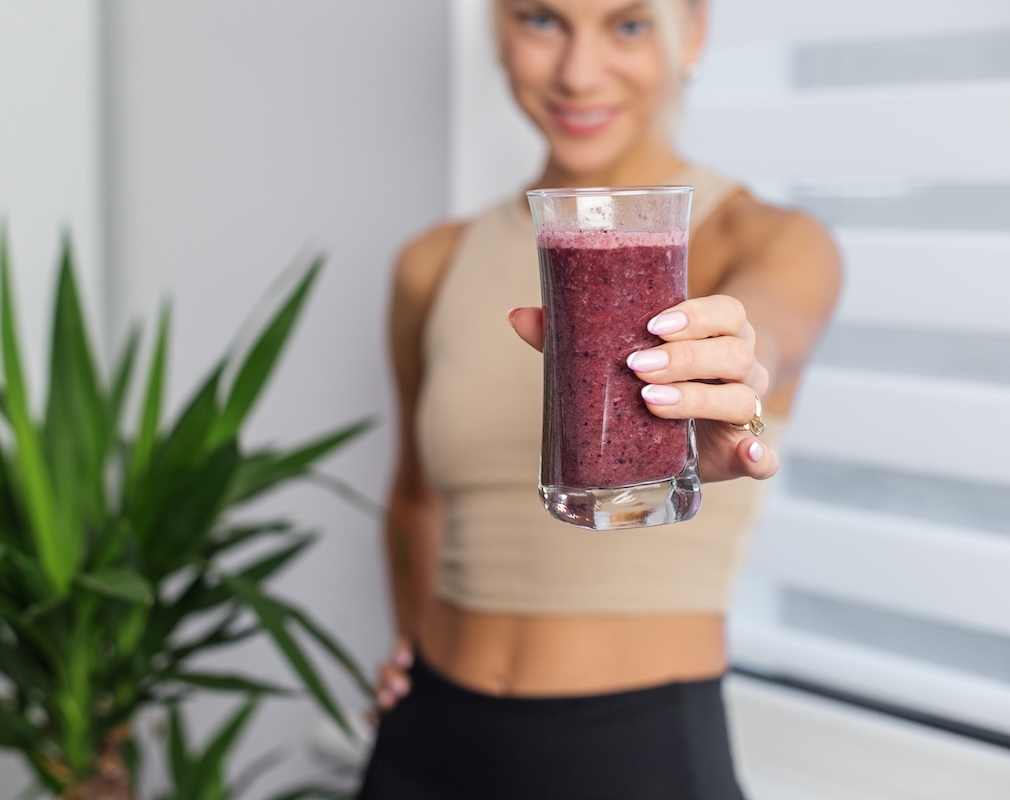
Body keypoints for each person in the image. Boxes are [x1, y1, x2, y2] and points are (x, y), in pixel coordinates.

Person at [357, 0, 841, 798]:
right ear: (498, 32)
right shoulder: (433, 262)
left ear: (692, 33)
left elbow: (772, 333)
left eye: (626, 25)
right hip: (424, 745)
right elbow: (413, 500)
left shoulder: (764, 241)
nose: (578, 73)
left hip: (636, 753)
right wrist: (411, 640)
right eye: (541, 21)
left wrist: (739, 366)